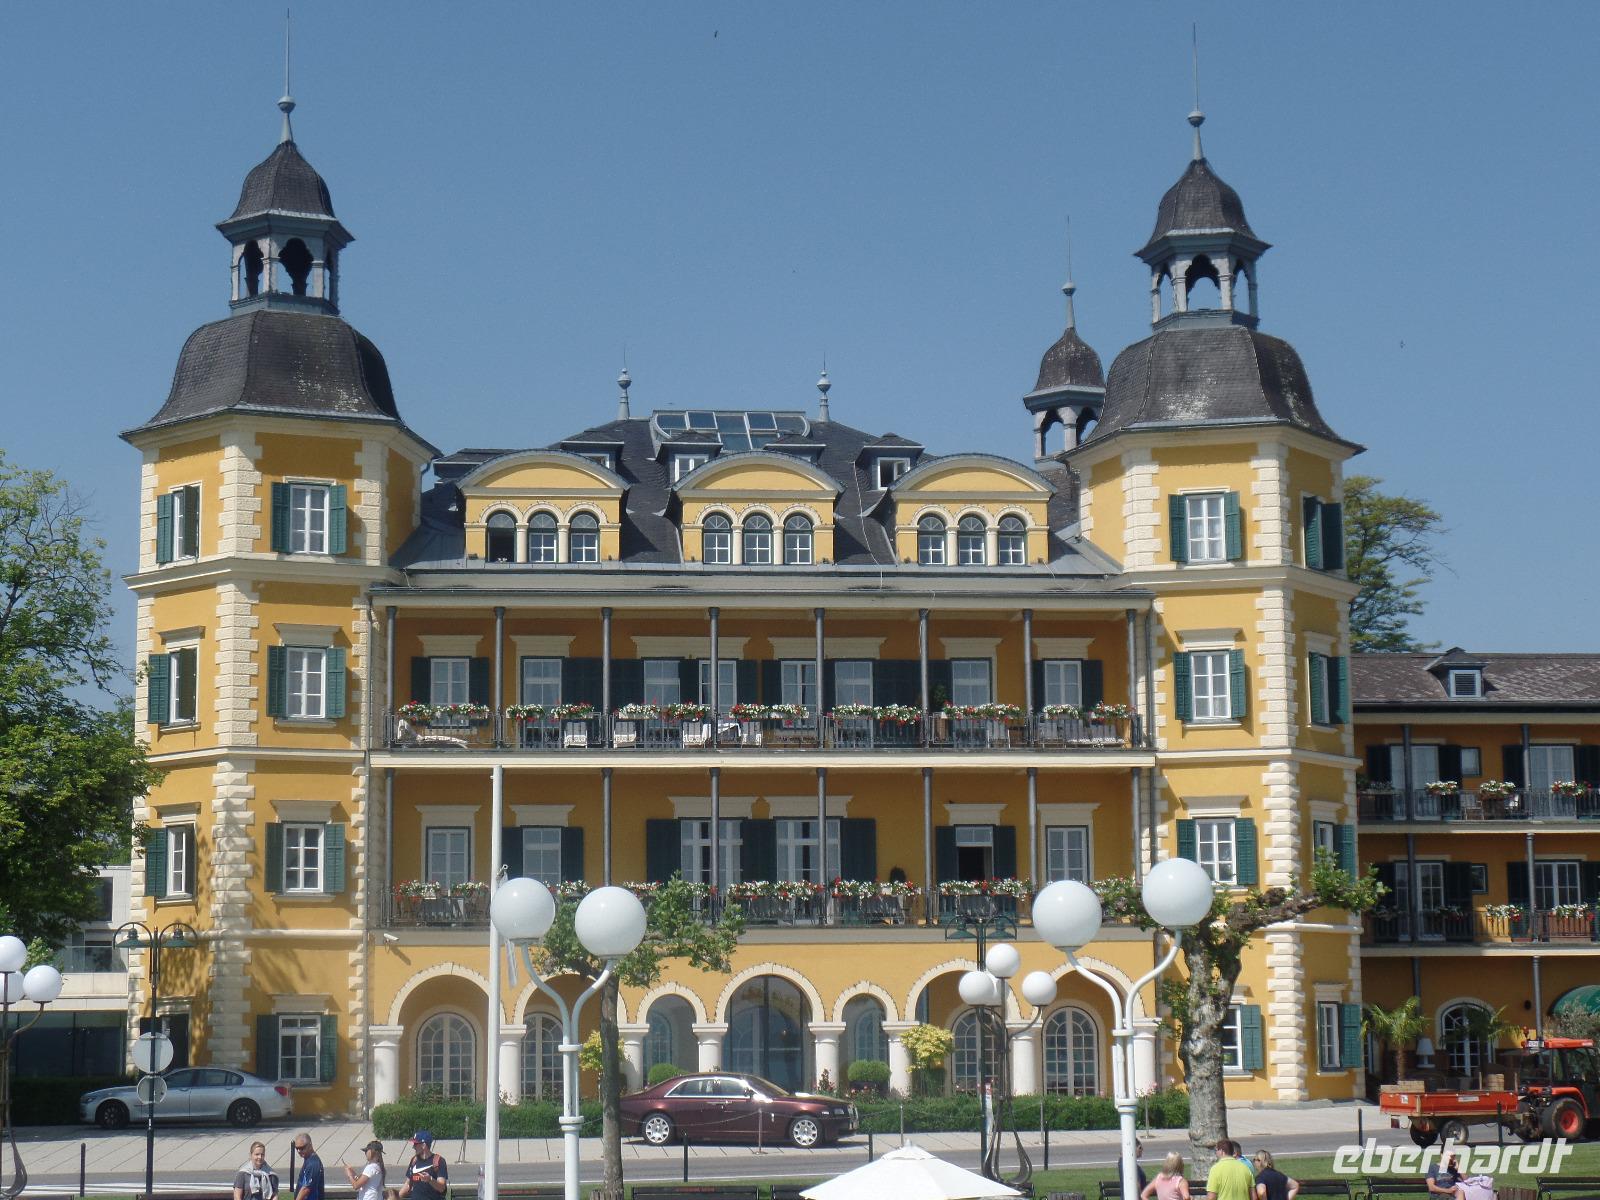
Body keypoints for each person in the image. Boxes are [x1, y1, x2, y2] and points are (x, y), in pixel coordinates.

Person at [398, 1131, 449, 1200]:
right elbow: (408, 1185)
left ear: (423, 1145)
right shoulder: (414, 1161)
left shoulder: (439, 1161)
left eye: (415, 1144)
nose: (413, 1147)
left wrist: (430, 1180)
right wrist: (396, 1197)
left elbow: (442, 1188)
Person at [292, 1133, 325, 1200]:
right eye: (297, 1148)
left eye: (302, 1148)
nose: (299, 1151)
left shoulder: (313, 1163)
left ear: (310, 1145)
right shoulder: (308, 1160)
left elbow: (306, 1189)